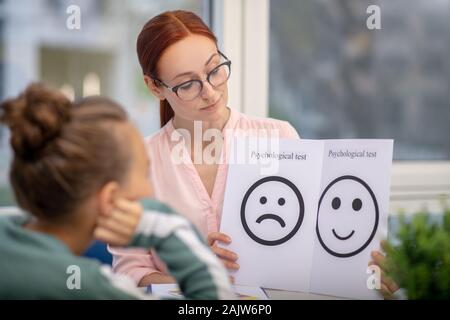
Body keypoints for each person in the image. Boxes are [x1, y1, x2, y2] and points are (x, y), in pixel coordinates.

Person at [110, 9, 398, 298]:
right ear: (155, 87)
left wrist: (364, 269)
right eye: (187, 84)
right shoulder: (138, 162)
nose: (210, 92)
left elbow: (314, 250)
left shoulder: (279, 138)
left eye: (214, 71)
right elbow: (130, 272)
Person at [0, 83, 234, 299]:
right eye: (145, 173)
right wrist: (166, 228)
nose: (149, 187)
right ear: (110, 198)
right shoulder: (91, 288)